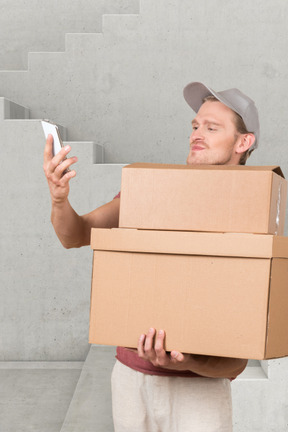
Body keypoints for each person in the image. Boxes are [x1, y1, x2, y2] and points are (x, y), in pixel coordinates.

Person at [43, 81, 260, 432]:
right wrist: (58, 199)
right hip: (130, 380)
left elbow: (236, 361)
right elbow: (77, 235)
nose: (196, 133)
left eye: (211, 127)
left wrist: (188, 362)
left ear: (243, 142)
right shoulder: (152, 190)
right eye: (194, 125)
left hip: (201, 392)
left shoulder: (254, 213)